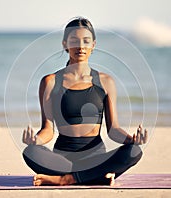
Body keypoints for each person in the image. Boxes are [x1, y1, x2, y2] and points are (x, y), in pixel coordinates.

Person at [22, 17, 148, 186]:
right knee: (30, 152)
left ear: (93, 45)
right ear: (65, 44)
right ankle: (95, 177)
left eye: (86, 41)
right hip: (62, 158)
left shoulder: (105, 81)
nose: (80, 46)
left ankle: (68, 179)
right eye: (74, 41)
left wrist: (132, 140)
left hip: (96, 158)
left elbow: (113, 130)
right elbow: (48, 129)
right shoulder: (50, 82)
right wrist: (35, 141)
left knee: (134, 151)